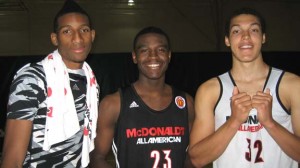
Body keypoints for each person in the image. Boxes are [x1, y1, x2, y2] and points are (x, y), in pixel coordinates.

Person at [188, 7, 300, 168]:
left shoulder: (292, 85)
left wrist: (270, 123)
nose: (246, 36)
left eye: (254, 30)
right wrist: (234, 121)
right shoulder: (210, 90)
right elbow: (197, 159)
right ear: (227, 40)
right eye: (236, 31)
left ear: (263, 37)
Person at [0, 0, 99, 167]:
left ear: (92, 35)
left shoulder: (90, 81)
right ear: (55, 38)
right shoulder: (33, 79)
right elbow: (13, 158)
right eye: (67, 31)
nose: (77, 38)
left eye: (84, 30)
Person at [90, 26, 195, 168]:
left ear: (169, 55)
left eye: (161, 50)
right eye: (144, 50)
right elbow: (97, 157)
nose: (153, 56)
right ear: (134, 56)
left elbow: (191, 157)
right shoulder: (113, 104)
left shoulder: (186, 102)